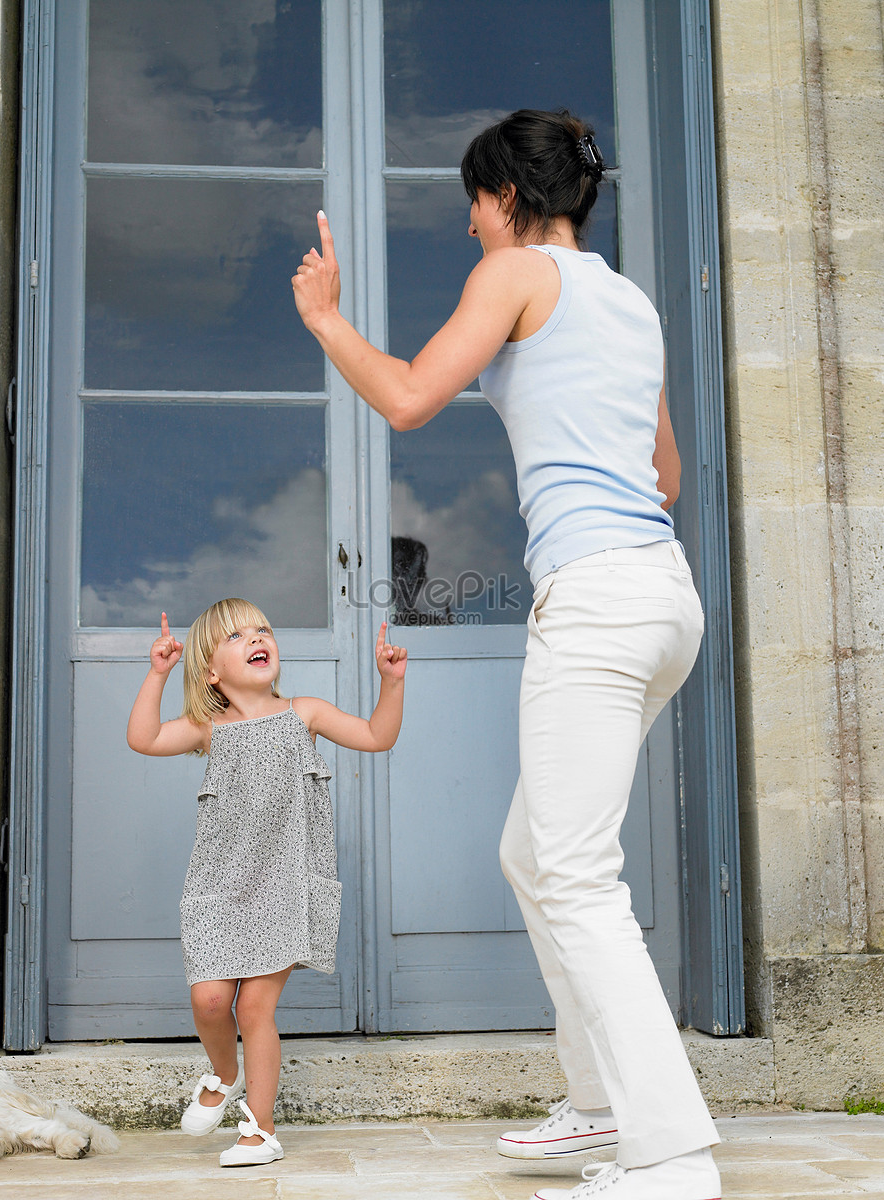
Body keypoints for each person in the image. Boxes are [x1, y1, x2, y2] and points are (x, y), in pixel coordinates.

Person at [292, 109, 721, 1200]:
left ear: (513, 200)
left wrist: (325, 317)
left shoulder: (520, 271)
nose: (473, 223)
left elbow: (405, 396)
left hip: (598, 601)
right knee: (536, 857)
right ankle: (594, 1104)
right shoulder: (628, 300)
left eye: (475, 203)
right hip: (660, 594)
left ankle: (669, 1154)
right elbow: (664, 476)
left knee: (575, 876)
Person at [127, 599, 407, 1167]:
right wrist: (156, 672)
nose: (257, 638)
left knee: (255, 1010)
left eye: (263, 630)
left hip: (284, 884)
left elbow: (378, 736)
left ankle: (260, 1130)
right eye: (237, 636)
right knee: (210, 1001)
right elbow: (144, 738)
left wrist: (392, 682)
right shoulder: (208, 728)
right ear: (210, 669)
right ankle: (224, 1072)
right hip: (219, 885)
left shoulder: (304, 712)